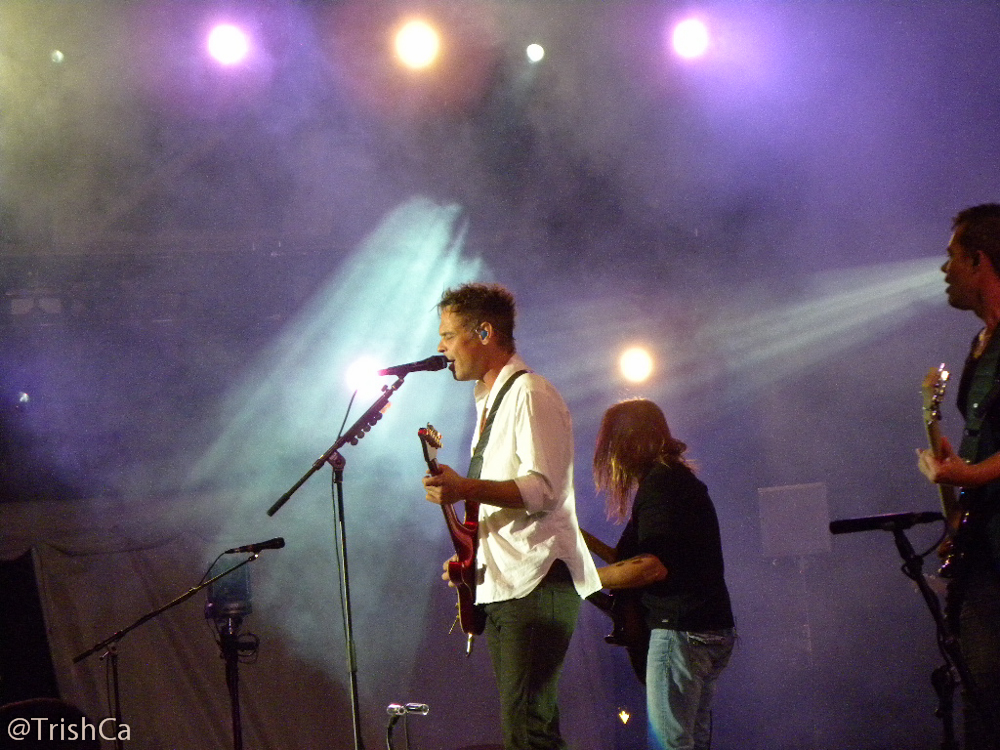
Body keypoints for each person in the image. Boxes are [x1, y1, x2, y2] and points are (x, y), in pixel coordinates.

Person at [422, 282, 602, 750]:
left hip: (536, 580)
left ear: (484, 333)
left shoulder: (530, 393)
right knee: (526, 729)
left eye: (448, 335)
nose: (441, 348)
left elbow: (543, 490)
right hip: (508, 583)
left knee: (527, 729)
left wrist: (464, 487)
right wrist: (472, 557)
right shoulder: (490, 400)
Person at [584, 398, 734, 750]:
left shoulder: (660, 485)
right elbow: (636, 560)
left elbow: (651, 566)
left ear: (629, 442)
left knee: (670, 744)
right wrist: (578, 539)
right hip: (709, 629)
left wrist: (582, 579)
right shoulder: (677, 481)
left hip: (680, 632)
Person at [917, 203, 1000, 750]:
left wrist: (971, 471)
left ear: (979, 260)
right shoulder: (980, 345)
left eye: (952, 257)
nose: (944, 269)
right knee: (980, 695)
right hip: (984, 549)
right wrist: (957, 463)